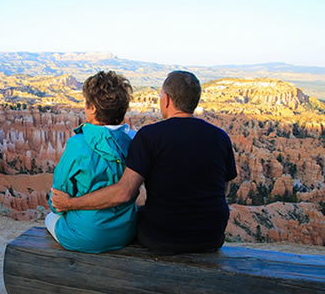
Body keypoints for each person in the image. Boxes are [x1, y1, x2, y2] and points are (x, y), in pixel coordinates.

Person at [51, 70, 237, 255]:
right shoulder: (220, 137)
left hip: (161, 237)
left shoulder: (150, 136)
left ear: (166, 100)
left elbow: (124, 192)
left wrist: (70, 204)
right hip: (212, 236)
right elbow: (224, 189)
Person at [45, 70, 138, 253]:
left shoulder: (78, 144)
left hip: (88, 236)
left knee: (50, 218)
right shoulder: (135, 140)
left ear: (93, 108)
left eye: (87, 104)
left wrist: (64, 207)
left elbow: (58, 197)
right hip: (126, 232)